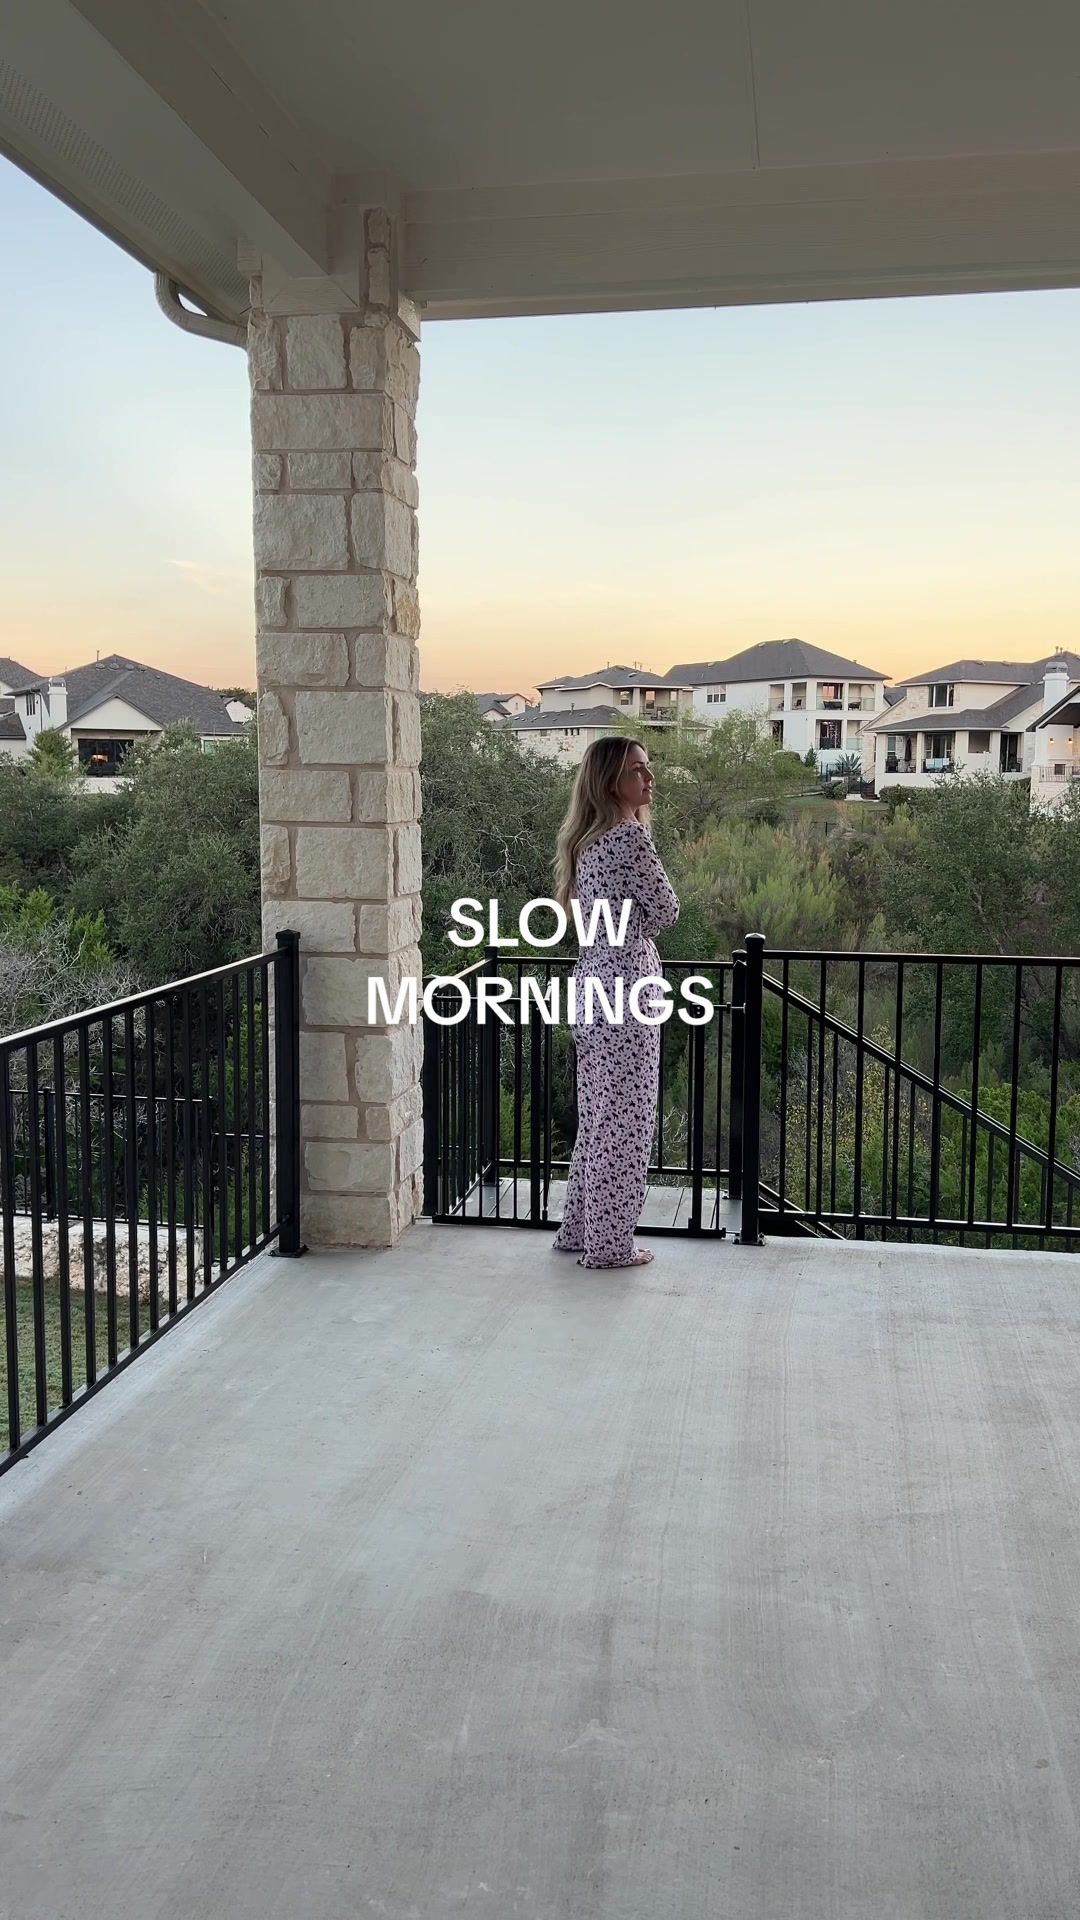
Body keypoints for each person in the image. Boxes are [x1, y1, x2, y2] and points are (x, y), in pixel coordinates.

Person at [551, 737, 680, 1269]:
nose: (648, 779)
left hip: (592, 984)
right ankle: (609, 1246)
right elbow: (667, 910)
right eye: (636, 771)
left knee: (599, 1118)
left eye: (647, 768)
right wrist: (640, 925)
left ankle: (580, 1231)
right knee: (626, 1125)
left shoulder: (589, 840)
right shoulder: (628, 838)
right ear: (610, 783)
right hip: (626, 992)